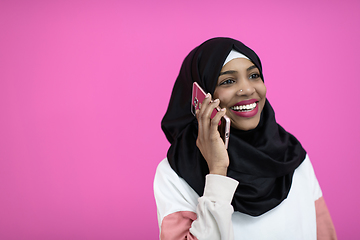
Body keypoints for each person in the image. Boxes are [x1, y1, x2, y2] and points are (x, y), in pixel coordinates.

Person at [154, 37, 337, 240]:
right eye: (228, 81)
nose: (248, 89)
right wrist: (217, 172)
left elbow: (324, 234)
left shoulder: (291, 154)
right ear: (201, 96)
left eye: (254, 75)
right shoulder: (175, 173)